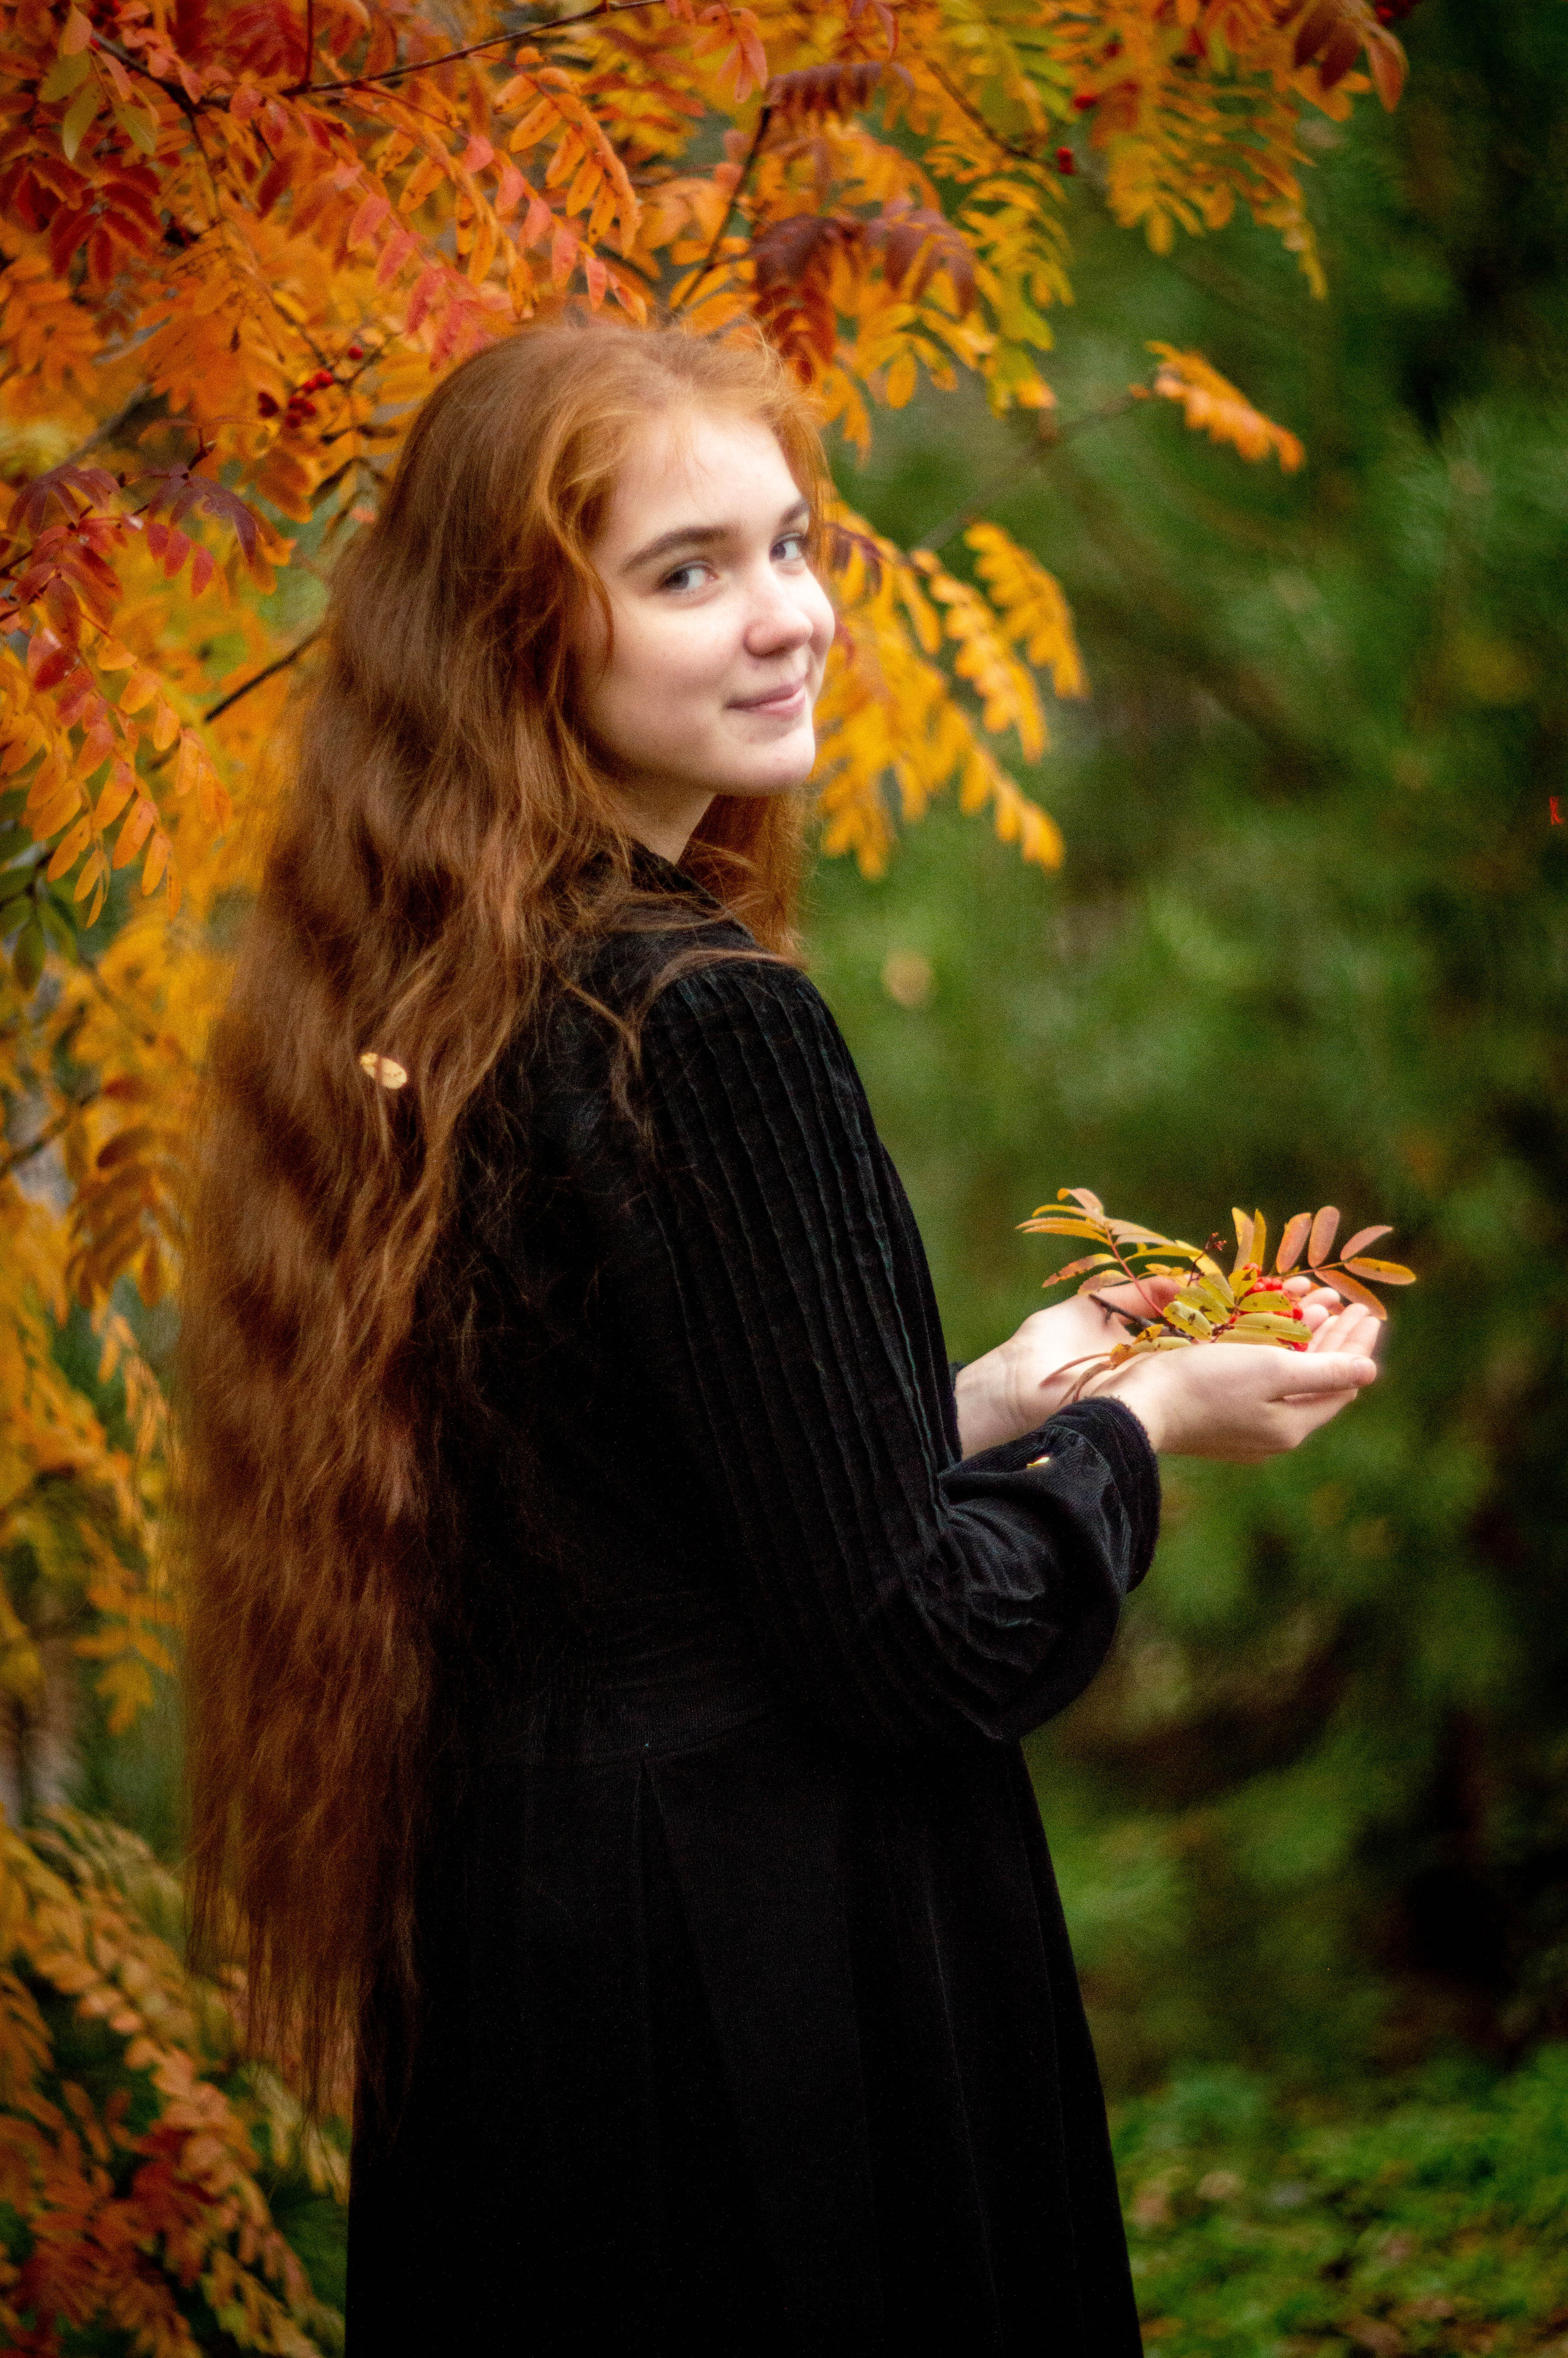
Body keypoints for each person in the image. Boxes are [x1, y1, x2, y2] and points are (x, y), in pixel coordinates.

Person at [179, 317, 1381, 2355]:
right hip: (757, 1979)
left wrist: (994, 1400)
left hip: (523, 1950)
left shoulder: (430, 993)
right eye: (689, 570)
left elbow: (626, 1507)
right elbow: (914, 1636)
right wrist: (1145, 1426)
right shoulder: (705, 1022)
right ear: (513, 631)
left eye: (797, 545)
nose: (791, 619)